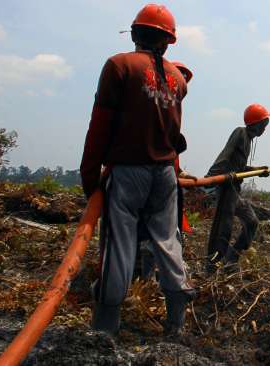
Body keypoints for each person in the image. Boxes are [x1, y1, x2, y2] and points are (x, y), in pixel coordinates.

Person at [79, 4, 194, 337]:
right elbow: (173, 133)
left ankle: (105, 330)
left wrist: (90, 179)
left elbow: (99, 126)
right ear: (169, 41)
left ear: (134, 34)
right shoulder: (177, 79)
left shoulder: (119, 66)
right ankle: (176, 324)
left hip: (127, 173)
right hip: (164, 176)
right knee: (168, 242)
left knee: (118, 246)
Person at [139, 62, 195, 281]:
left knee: (161, 234)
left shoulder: (171, 116)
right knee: (151, 234)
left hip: (165, 181)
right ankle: (148, 283)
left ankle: (153, 282)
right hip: (146, 180)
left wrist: (179, 173)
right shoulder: (151, 111)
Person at [205, 104, 270, 271]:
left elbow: (239, 170)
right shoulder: (240, 133)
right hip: (226, 188)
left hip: (235, 190)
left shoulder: (248, 140)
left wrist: (258, 171)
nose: (265, 128)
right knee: (223, 230)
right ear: (256, 123)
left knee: (252, 222)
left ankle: (231, 258)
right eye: (264, 123)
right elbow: (225, 156)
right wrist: (211, 177)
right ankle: (213, 266)